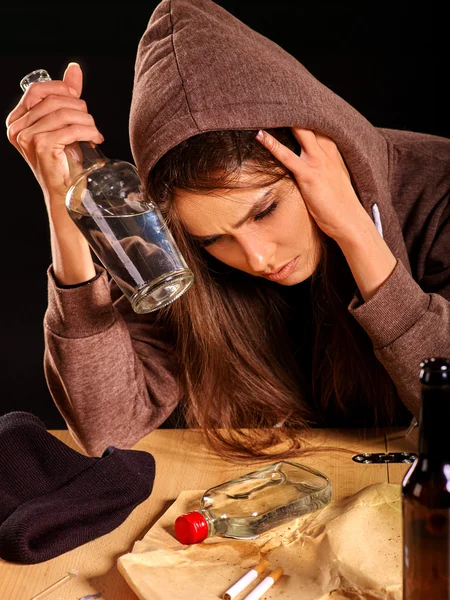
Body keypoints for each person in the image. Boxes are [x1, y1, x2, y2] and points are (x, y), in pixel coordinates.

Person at [6, 0, 450, 460]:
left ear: (317, 149)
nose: (258, 259)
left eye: (264, 211)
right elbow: (108, 430)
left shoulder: (440, 189)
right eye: (214, 239)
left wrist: (357, 231)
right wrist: (67, 205)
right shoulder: (187, 257)